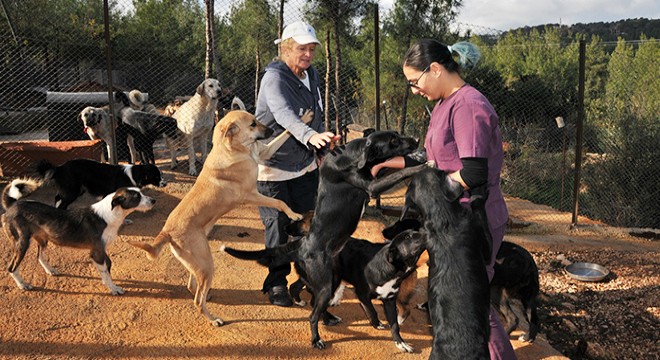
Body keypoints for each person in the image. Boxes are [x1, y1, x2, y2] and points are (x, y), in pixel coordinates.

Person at [371, 39, 517, 359]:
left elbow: (474, 171)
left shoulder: (468, 106)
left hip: (472, 222)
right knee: (462, 303)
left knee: (471, 307)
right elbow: (430, 157)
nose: (413, 90)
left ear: (434, 69)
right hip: (450, 224)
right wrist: (386, 165)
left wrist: (440, 194)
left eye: (414, 82)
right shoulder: (443, 103)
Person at [254, 21, 339, 307]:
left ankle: (306, 277)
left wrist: (321, 145)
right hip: (272, 168)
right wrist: (311, 136)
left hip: (304, 165)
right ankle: (276, 282)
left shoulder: (310, 74)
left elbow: (314, 112)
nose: (308, 54)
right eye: (302, 48)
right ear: (286, 48)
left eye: (311, 49)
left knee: (309, 223)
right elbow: (284, 115)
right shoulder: (274, 79)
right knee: (276, 225)